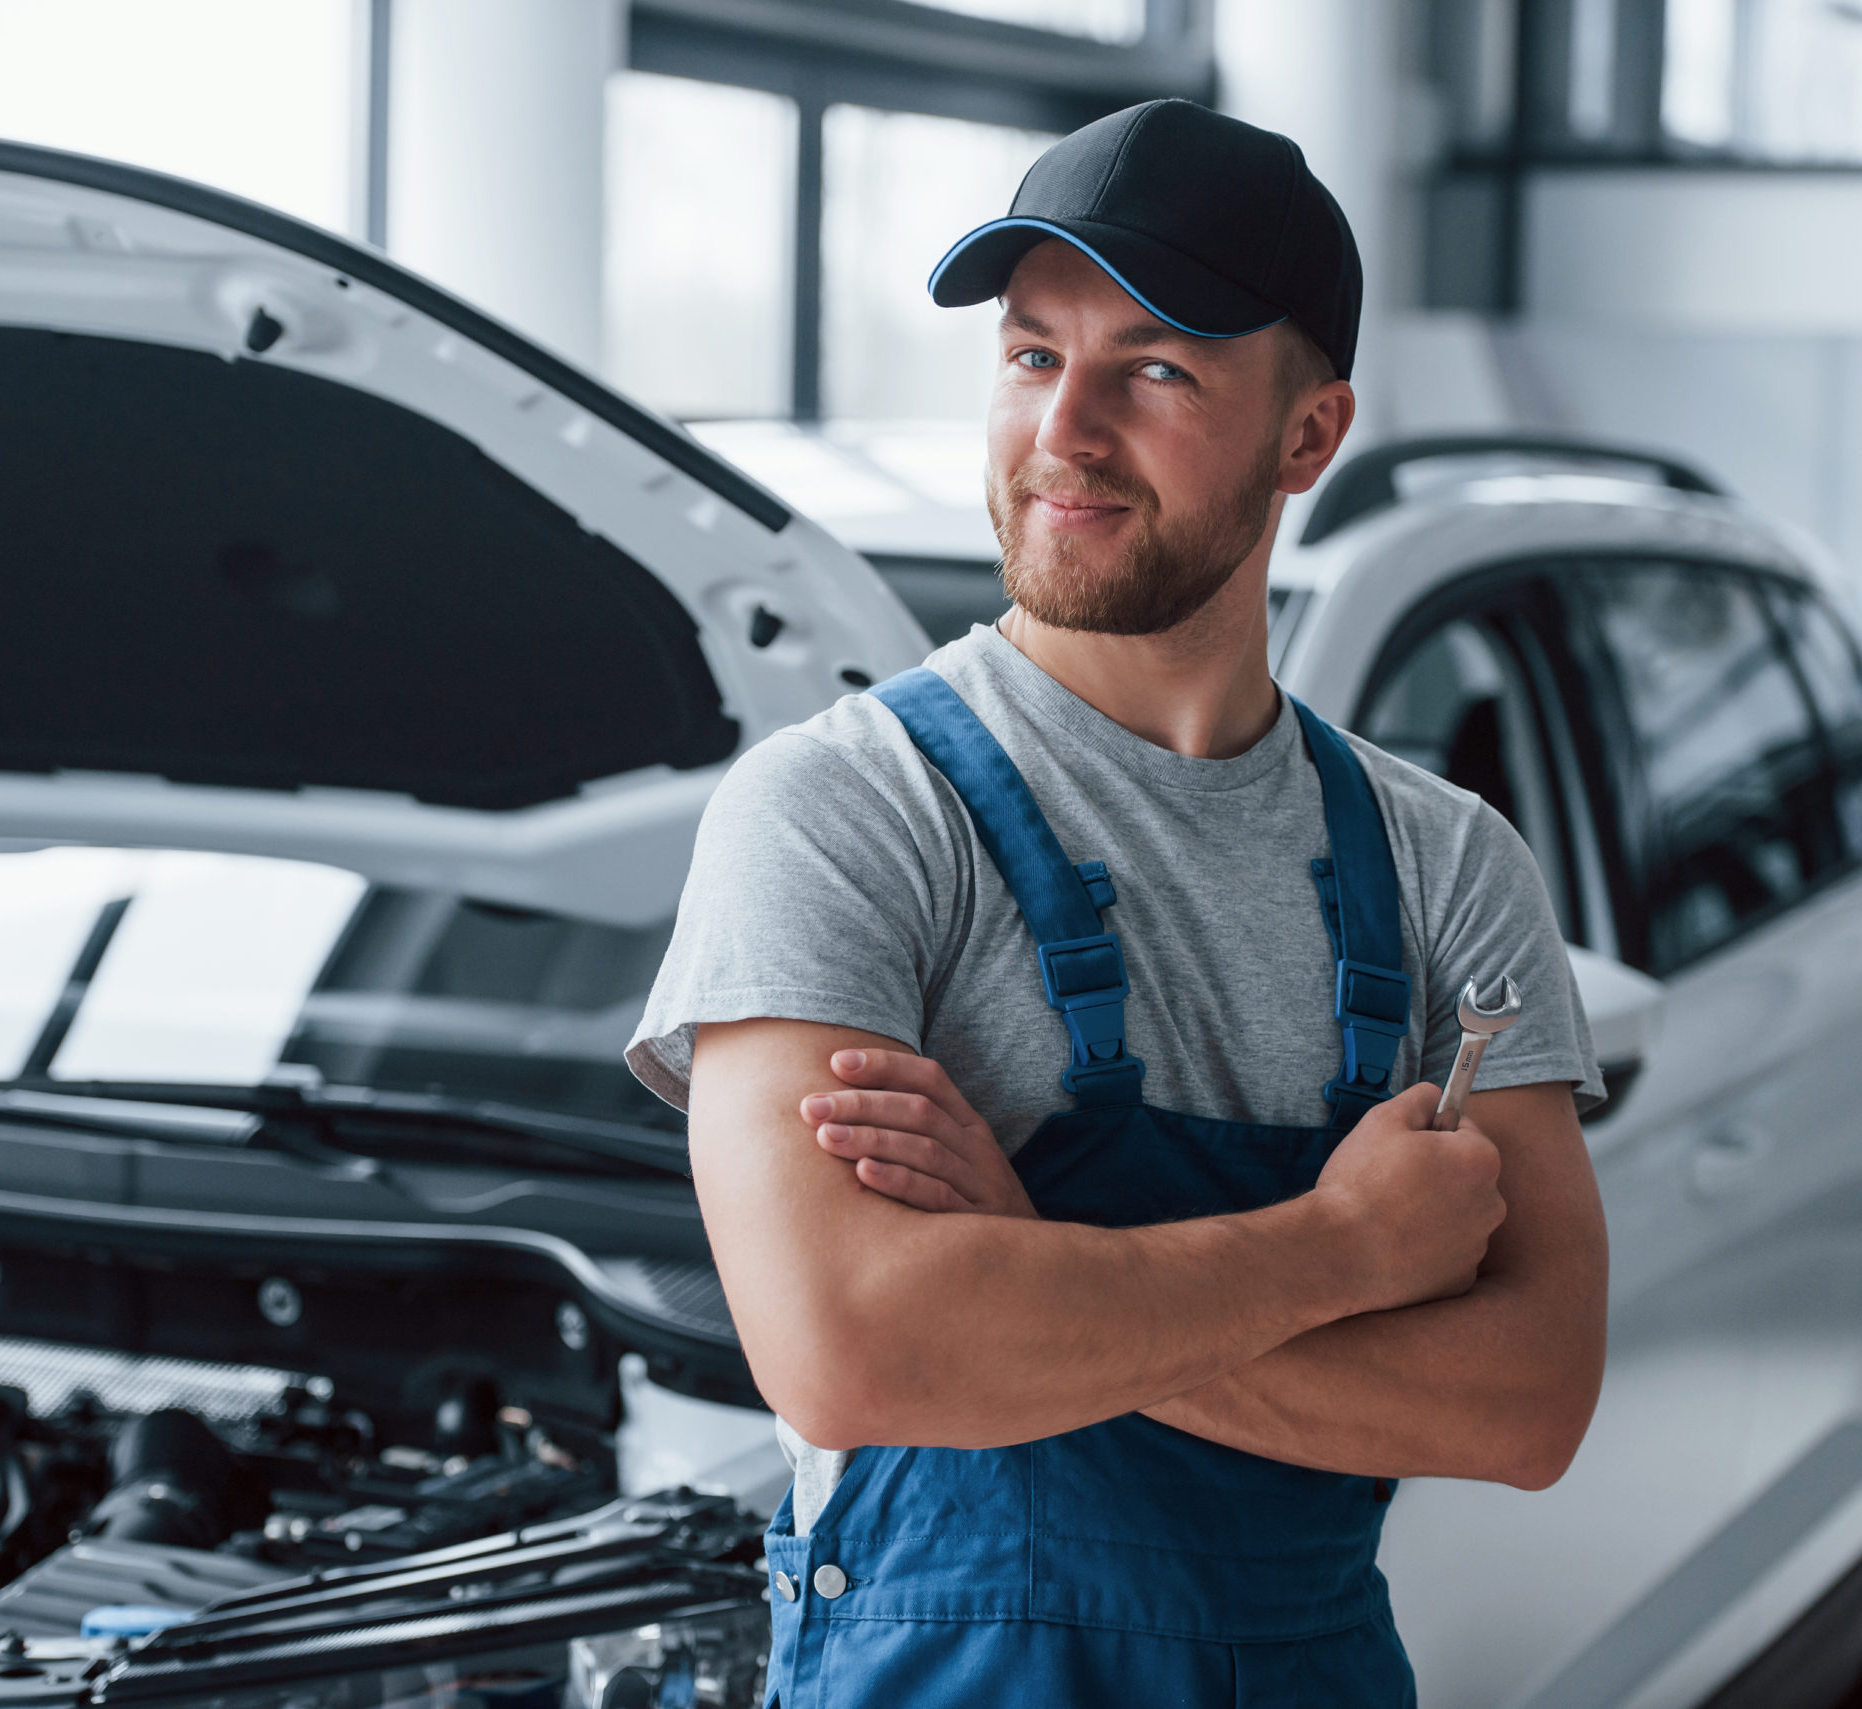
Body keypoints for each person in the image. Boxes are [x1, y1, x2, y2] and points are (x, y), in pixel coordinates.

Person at [626, 99, 1609, 1705]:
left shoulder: (1446, 867)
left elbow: (1525, 1403)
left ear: (1309, 434)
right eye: (1030, 357)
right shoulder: (842, 810)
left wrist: (1027, 1264)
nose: (1063, 431)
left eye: (1154, 370)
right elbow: (859, 1352)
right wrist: (1339, 1245)